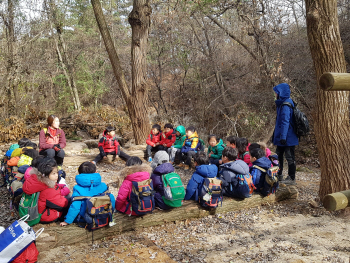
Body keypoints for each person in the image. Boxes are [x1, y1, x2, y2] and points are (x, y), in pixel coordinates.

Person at [60, 162, 115, 226]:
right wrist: (110, 212)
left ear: (80, 174)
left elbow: (75, 206)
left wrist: (67, 221)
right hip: (103, 214)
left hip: (86, 218)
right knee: (110, 196)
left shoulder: (78, 188)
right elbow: (111, 199)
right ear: (96, 172)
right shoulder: (103, 185)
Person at [22, 157, 69, 223]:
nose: (57, 176)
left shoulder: (35, 180)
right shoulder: (48, 189)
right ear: (45, 174)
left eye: (57, 173)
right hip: (42, 216)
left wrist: (59, 187)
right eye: (54, 173)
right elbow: (61, 204)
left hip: (32, 211)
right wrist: (67, 199)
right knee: (67, 203)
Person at [273, 83, 298, 184]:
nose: (275, 94)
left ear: (281, 93)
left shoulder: (286, 104)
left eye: (276, 92)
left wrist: (283, 137)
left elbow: (285, 122)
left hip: (288, 137)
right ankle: (279, 175)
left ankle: (291, 178)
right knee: (278, 156)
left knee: (289, 156)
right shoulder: (281, 103)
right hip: (282, 136)